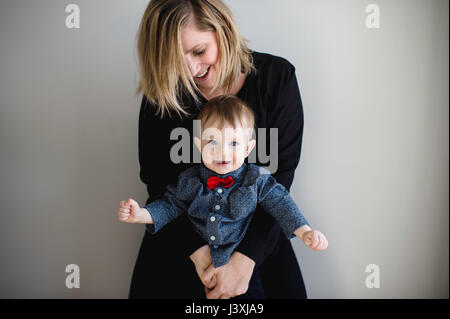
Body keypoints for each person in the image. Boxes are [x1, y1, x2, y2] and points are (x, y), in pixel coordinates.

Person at [129, 0, 312, 299]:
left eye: (199, 51)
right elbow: (158, 184)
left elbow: (282, 178)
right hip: (181, 244)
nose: (191, 69)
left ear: (223, 31)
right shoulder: (162, 93)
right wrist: (203, 260)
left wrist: (243, 263)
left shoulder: (276, 78)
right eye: (175, 58)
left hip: (259, 245)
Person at [118, 95, 328, 298]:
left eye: (234, 143)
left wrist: (304, 231)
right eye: (212, 142)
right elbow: (169, 205)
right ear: (199, 146)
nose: (223, 152)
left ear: (248, 148)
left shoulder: (256, 181)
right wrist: (141, 214)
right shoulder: (190, 180)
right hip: (198, 267)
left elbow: (282, 204)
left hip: (241, 269)